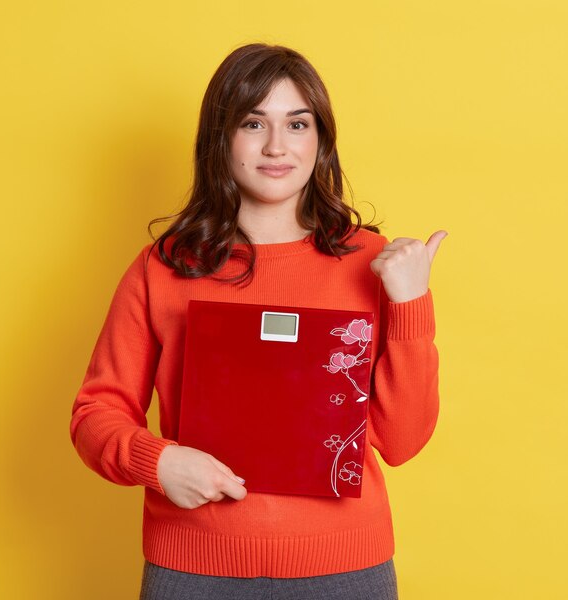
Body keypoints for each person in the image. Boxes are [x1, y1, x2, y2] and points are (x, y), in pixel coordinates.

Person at [69, 42, 445, 600]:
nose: (276, 146)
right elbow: (95, 412)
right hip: (192, 567)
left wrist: (411, 302)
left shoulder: (375, 263)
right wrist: (158, 460)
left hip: (345, 569)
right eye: (253, 123)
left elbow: (402, 440)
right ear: (220, 138)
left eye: (297, 123)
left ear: (321, 140)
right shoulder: (165, 265)